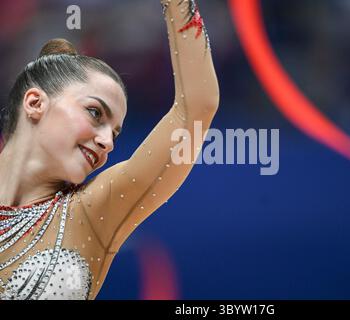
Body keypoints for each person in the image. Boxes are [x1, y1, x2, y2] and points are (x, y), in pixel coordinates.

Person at [0, 0, 219, 300]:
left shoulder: (93, 211)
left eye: (115, 132)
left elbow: (196, 109)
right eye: (95, 113)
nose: (108, 143)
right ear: (36, 103)